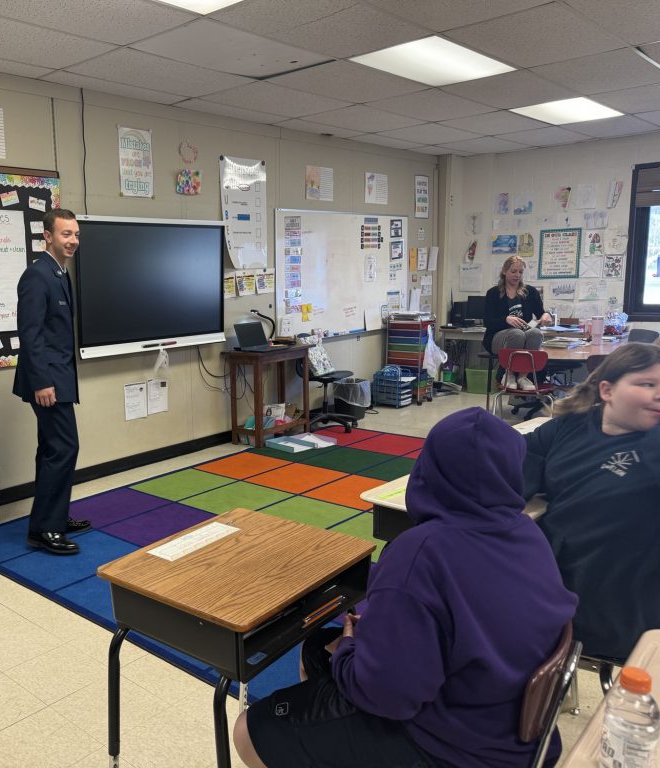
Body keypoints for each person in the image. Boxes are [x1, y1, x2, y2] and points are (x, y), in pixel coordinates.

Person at [233, 407, 577, 768]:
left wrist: (351, 646)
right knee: (318, 651)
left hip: (452, 748)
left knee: (250, 727)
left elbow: (387, 696)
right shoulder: (528, 533)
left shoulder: (421, 552)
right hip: (515, 729)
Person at [523, 342, 660, 662]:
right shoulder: (571, 426)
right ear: (607, 390)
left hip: (618, 615)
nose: (658, 394)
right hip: (550, 591)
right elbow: (516, 458)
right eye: (647, 384)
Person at [13, 208, 90, 555]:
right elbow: (29, 336)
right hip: (47, 381)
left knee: (51, 449)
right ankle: (45, 529)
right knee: (64, 448)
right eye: (65, 234)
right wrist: (42, 382)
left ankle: (53, 519)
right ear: (47, 235)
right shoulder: (37, 276)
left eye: (75, 234)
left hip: (59, 375)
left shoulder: (60, 273)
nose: (72, 241)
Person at [482, 256, 552, 390]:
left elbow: (541, 313)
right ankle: (508, 375)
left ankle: (522, 377)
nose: (517, 275)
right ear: (504, 271)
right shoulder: (493, 293)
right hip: (497, 337)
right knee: (517, 334)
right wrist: (506, 319)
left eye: (520, 272)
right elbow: (488, 322)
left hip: (523, 333)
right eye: (513, 271)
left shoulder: (530, 292)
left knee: (536, 333)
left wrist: (545, 315)